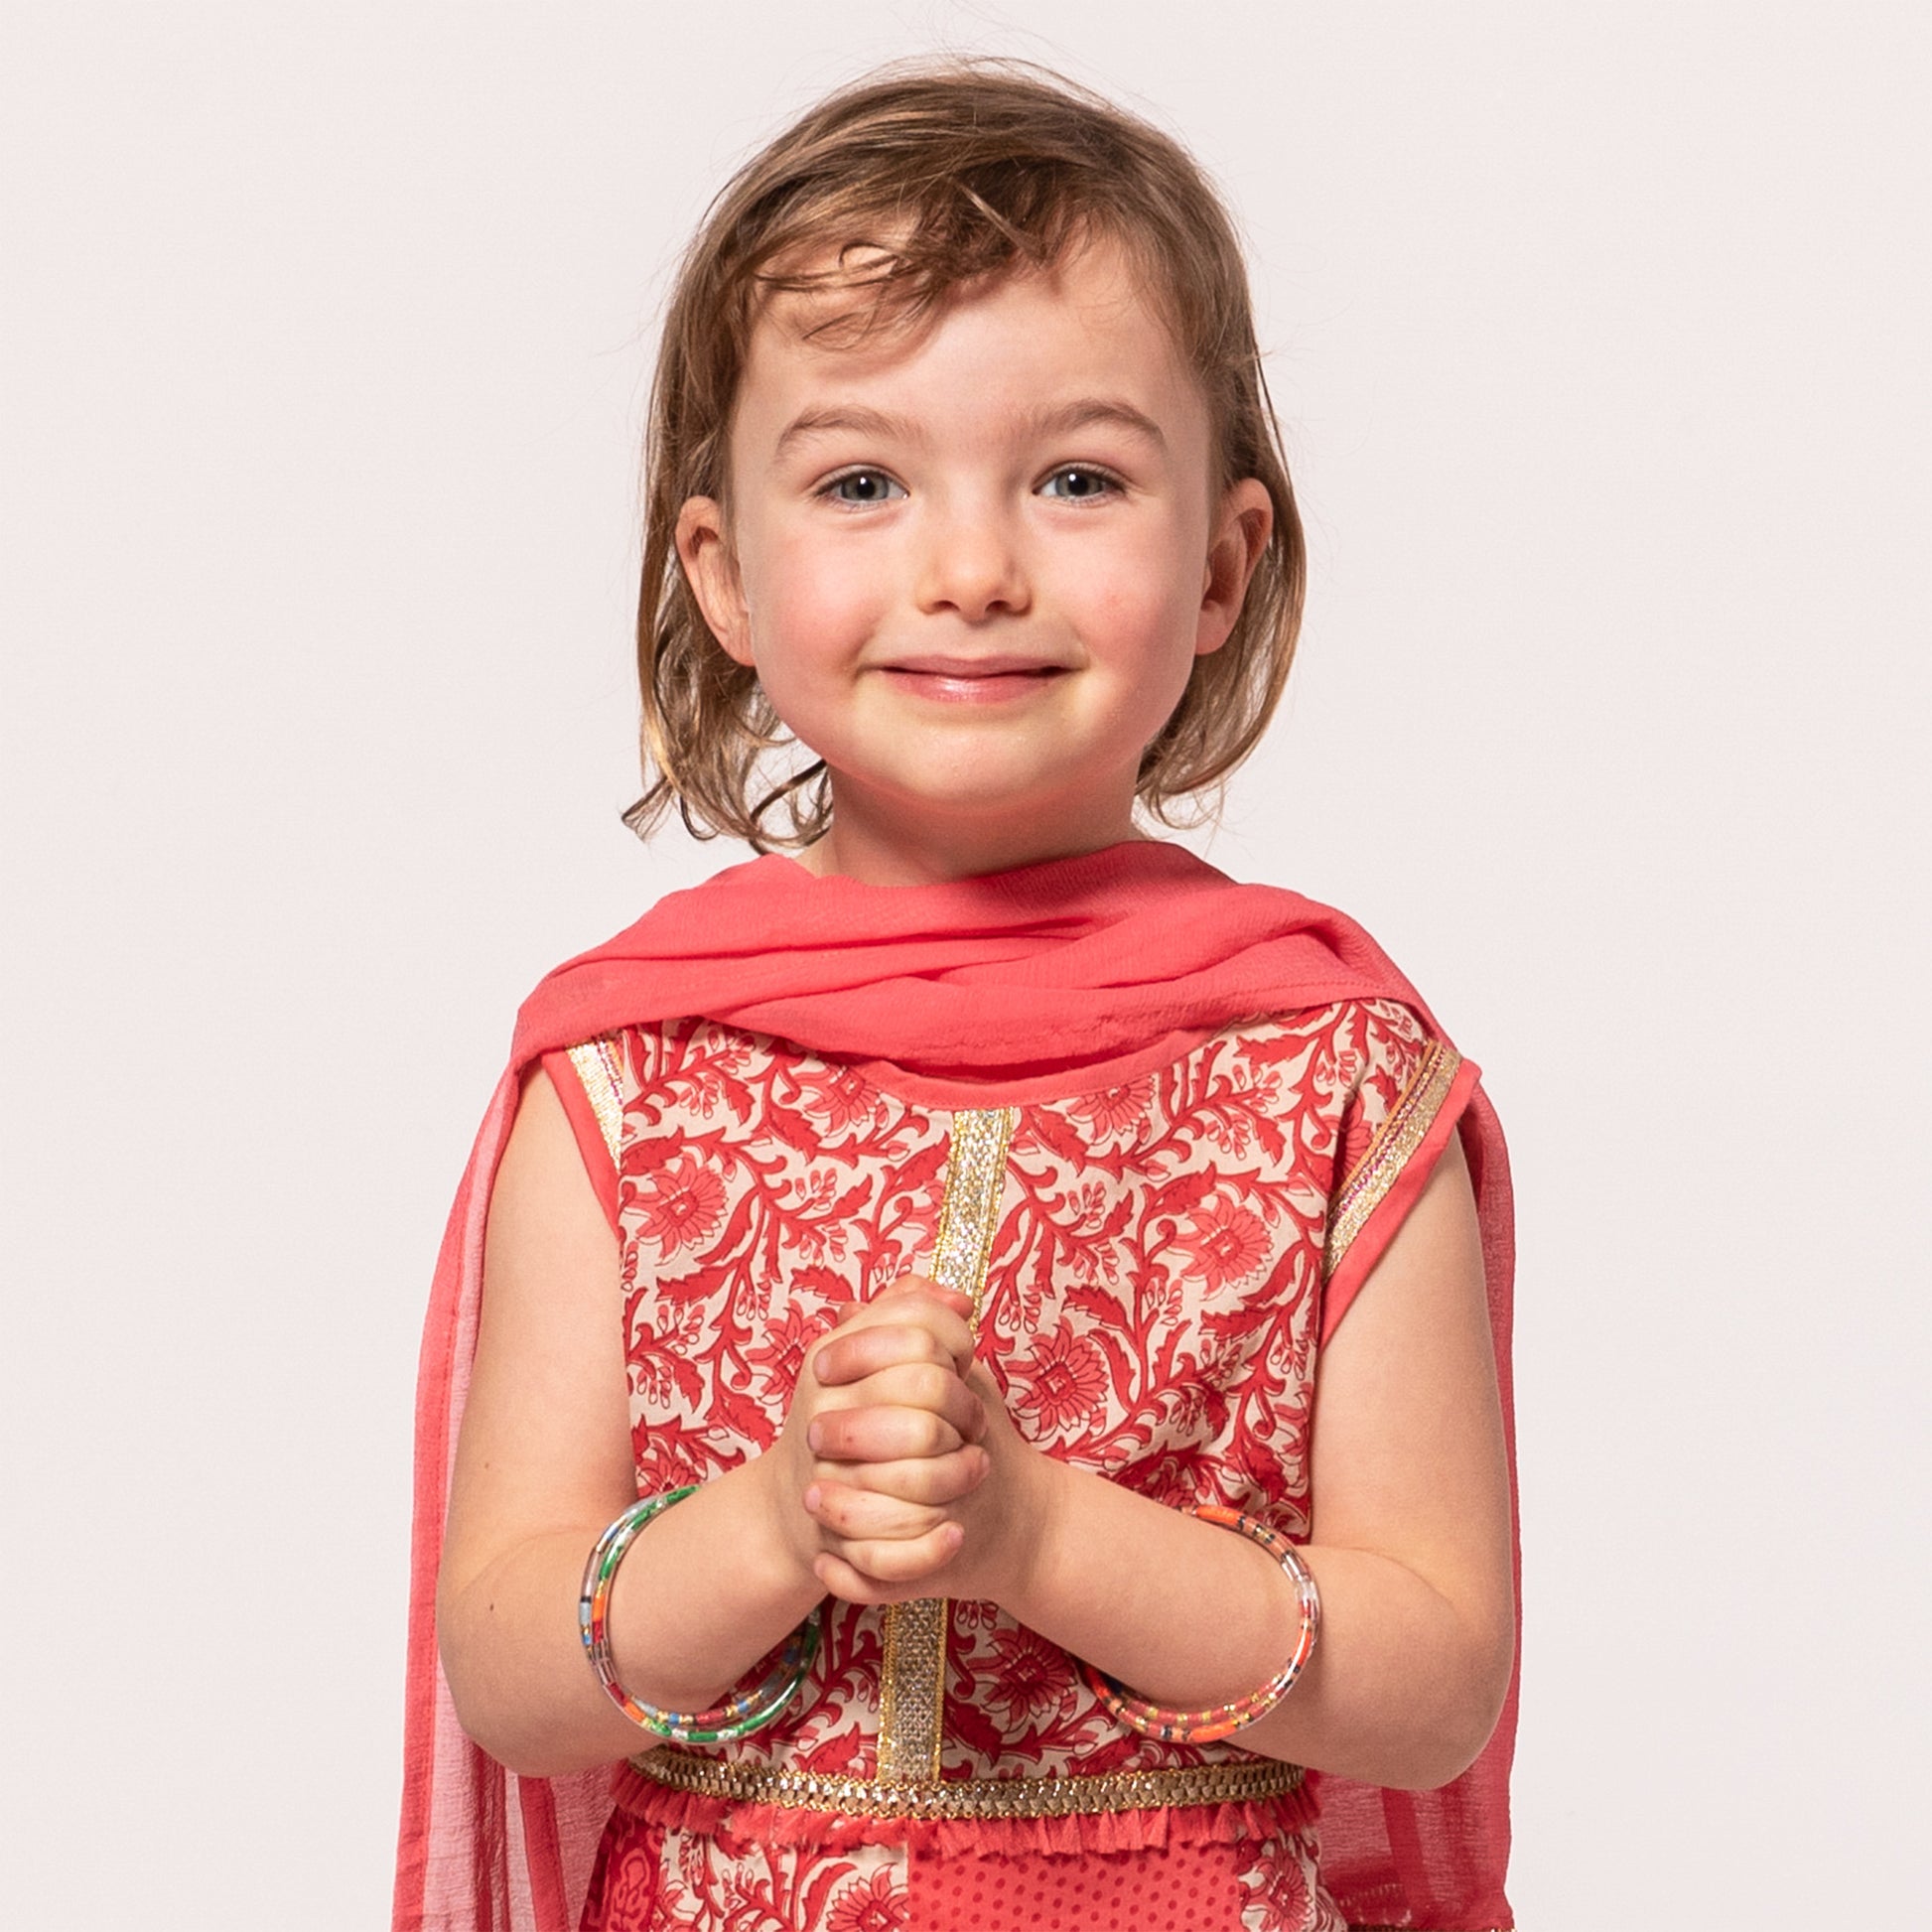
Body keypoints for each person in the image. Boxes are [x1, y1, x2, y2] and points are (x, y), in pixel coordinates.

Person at [395, 60, 1518, 1932]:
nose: (974, 568)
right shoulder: (626, 1070)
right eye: (861, 480)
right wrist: (771, 1523)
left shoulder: (1333, 1070)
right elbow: (512, 1666)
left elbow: (1429, 1686)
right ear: (722, 573)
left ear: (1222, 562)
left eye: (1077, 478)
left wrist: (1043, 1536)